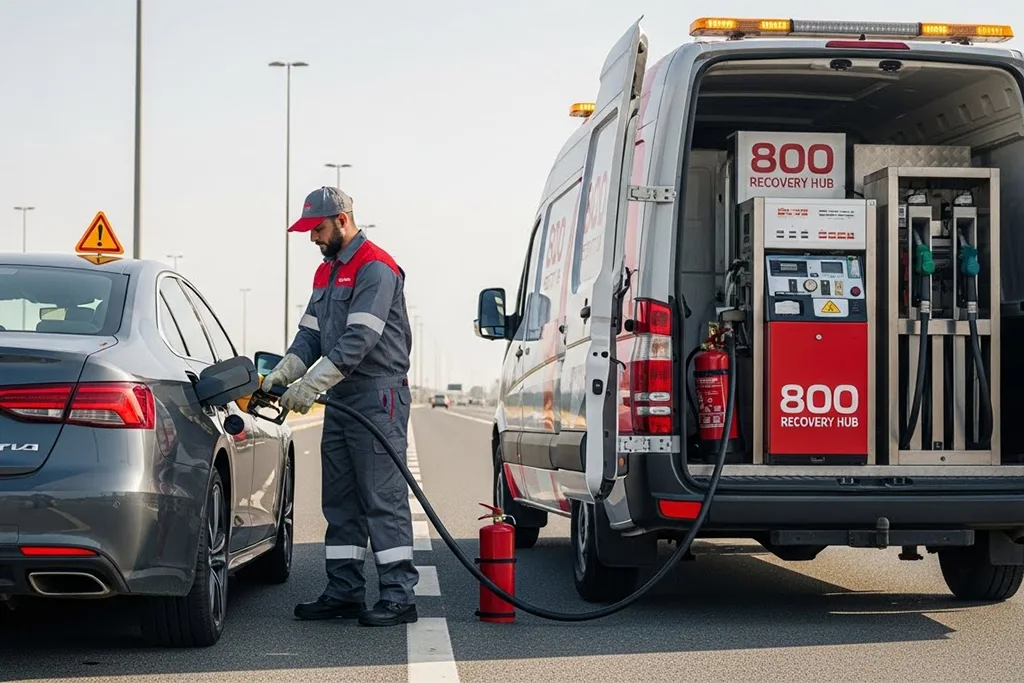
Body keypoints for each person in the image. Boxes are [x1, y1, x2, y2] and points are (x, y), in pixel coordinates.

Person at [261, 186, 419, 627]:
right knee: (342, 500)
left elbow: (359, 340)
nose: (312, 237)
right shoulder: (325, 272)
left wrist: (311, 384)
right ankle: (345, 590)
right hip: (343, 398)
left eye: (318, 227)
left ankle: (399, 595)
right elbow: (311, 334)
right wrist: (285, 371)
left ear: (342, 220)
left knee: (381, 499)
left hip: (377, 396)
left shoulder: (376, 268)